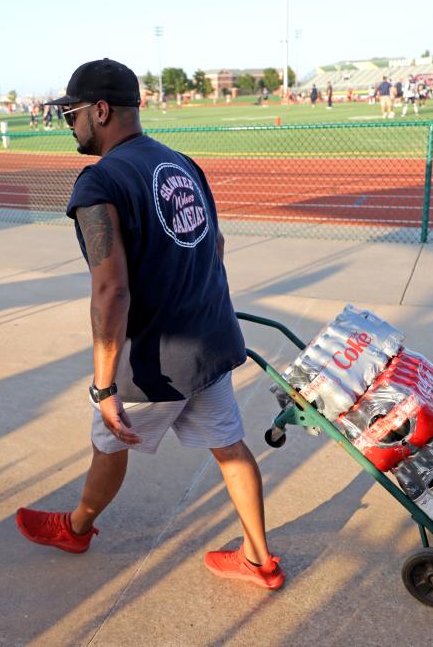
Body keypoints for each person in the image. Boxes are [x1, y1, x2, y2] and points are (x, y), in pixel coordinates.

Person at [15, 58, 285, 591]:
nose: (70, 125)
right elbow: (217, 246)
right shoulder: (181, 161)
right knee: (230, 448)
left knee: (110, 444)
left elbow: (111, 290)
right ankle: (259, 560)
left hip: (156, 362)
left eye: (71, 114)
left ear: (100, 110)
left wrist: (103, 384)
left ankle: (75, 528)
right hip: (211, 341)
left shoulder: (99, 183)